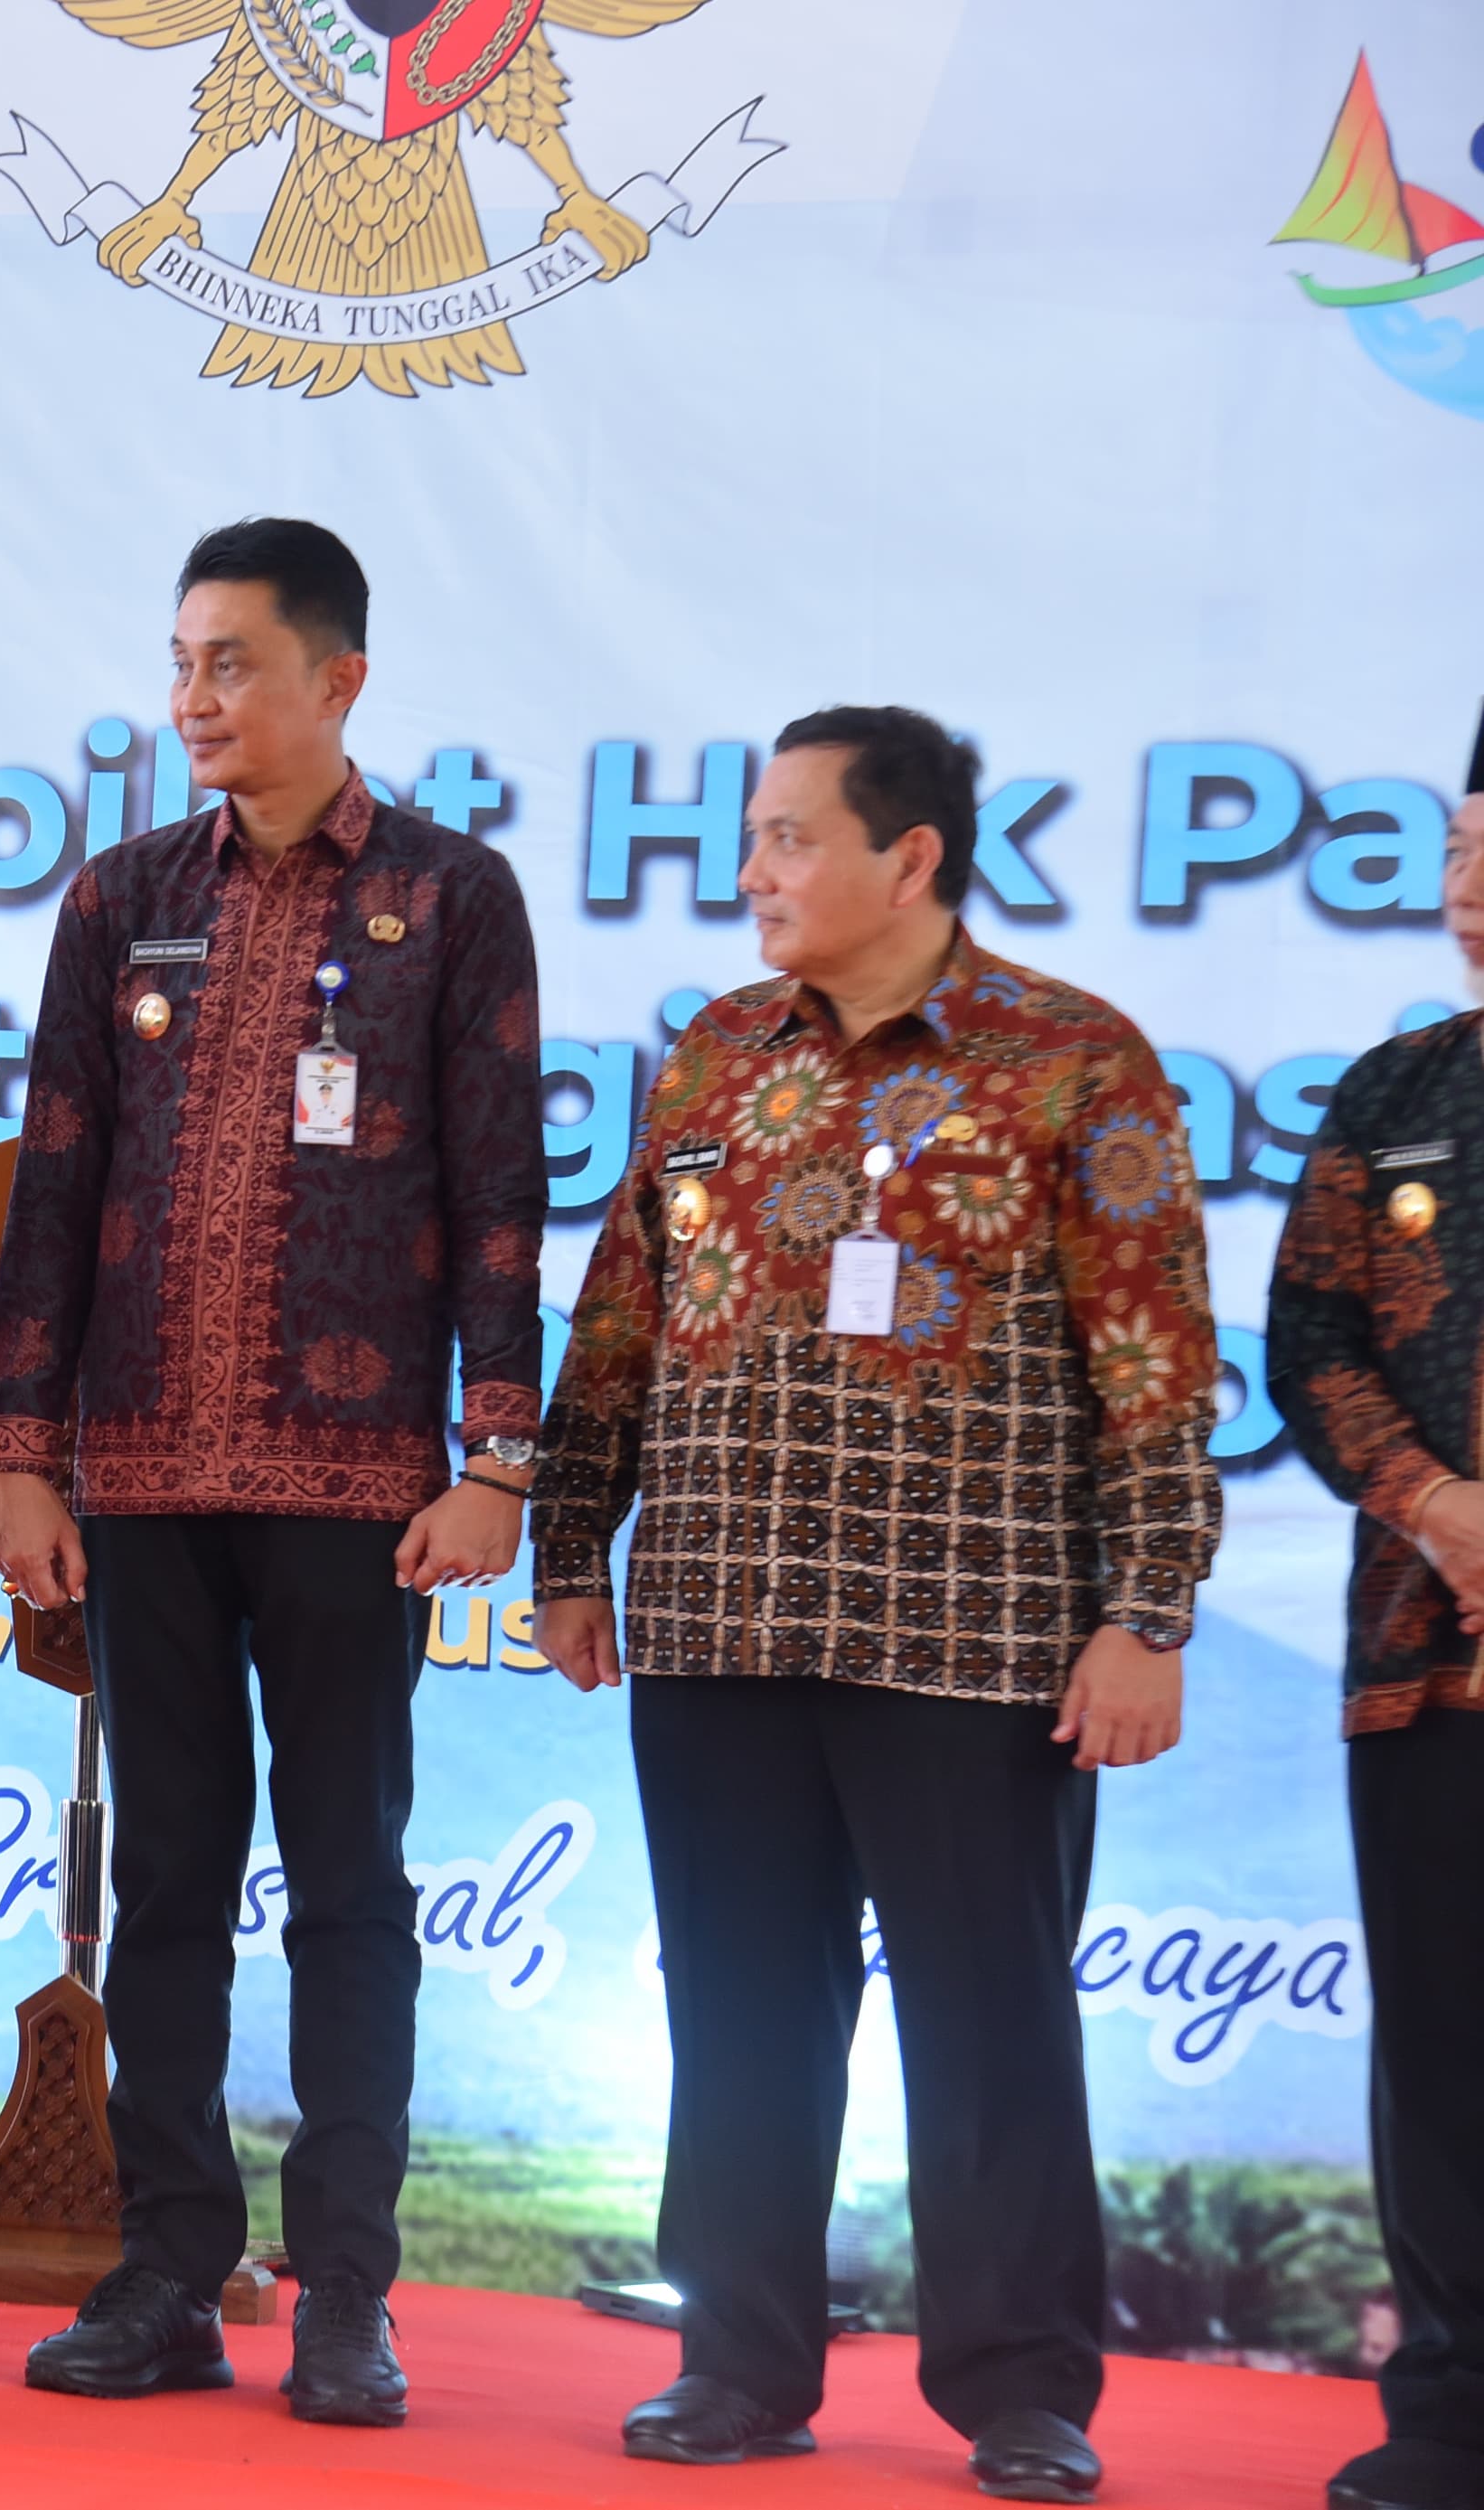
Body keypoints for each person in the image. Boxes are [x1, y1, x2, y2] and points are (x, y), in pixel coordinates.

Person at [531, 706, 1217, 2505]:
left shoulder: (1073, 1058)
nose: (751, 871)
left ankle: (1020, 2390)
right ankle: (736, 2359)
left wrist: (1147, 1610)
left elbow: (1154, 1366)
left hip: (972, 1638)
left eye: (788, 837)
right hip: (717, 1615)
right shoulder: (711, 1052)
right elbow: (619, 1312)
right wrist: (569, 1540)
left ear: (908, 857)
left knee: (989, 2024)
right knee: (738, 2012)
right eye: (750, 836)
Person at [0, 518, 543, 2423]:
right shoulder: (122, 894)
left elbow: (501, 1195)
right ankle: (166, 2271)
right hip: (138, 1473)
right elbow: (55, 1190)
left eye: (231, 662)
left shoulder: (452, 896)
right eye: (180, 662)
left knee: (349, 1890)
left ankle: (346, 2294)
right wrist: (21, 1455)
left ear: (339, 679)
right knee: (164, 1890)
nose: (195, 699)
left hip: (358, 1489)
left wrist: (496, 1458)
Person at [1264, 784, 1484, 2510]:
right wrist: (1438, 1504)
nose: (1466, 880)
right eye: (1463, 843)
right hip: (1427, 1649)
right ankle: (1453, 2416)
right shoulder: (1398, 1092)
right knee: (1443, 2044)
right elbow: (1312, 1339)